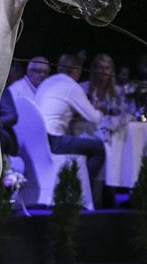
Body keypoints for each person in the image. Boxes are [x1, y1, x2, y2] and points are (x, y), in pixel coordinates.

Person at [34, 52, 106, 206]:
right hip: (54, 141)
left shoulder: (48, 81)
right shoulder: (71, 86)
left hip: (38, 139)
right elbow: (93, 118)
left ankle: (75, 183)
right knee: (98, 148)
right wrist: (101, 111)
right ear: (75, 69)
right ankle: (79, 187)